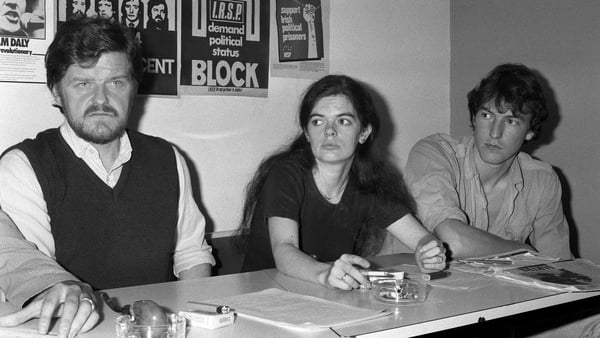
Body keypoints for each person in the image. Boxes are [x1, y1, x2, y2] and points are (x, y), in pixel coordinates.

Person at [0, 17, 214, 337]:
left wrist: (197, 325)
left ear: (134, 90)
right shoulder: (23, 166)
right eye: (83, 83)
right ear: (56, 92)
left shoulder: (168, 159)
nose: (100, 99)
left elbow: (192, 257)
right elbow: (36, 279)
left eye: (115, 82)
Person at [238, 74, 446, 290]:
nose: (329, 131)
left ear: (364, 132)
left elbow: (422, 240)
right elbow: (284, 249)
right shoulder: (286, 174)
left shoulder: (368, 184)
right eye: (317, 121)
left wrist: (429, 253)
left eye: (343, 121)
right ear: (307, 134)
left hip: (321, 296)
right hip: (263, 296)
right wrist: (325, 275)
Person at [404, 63, 572, 261]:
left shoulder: (542, 180)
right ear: (474, 118)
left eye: (511, 121)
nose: (494, 133)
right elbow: (453, 241)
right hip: (402, 286)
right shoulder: (433, 153)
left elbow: (560, 266)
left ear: (530, 131)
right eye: (487, 115)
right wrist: (522, 251)